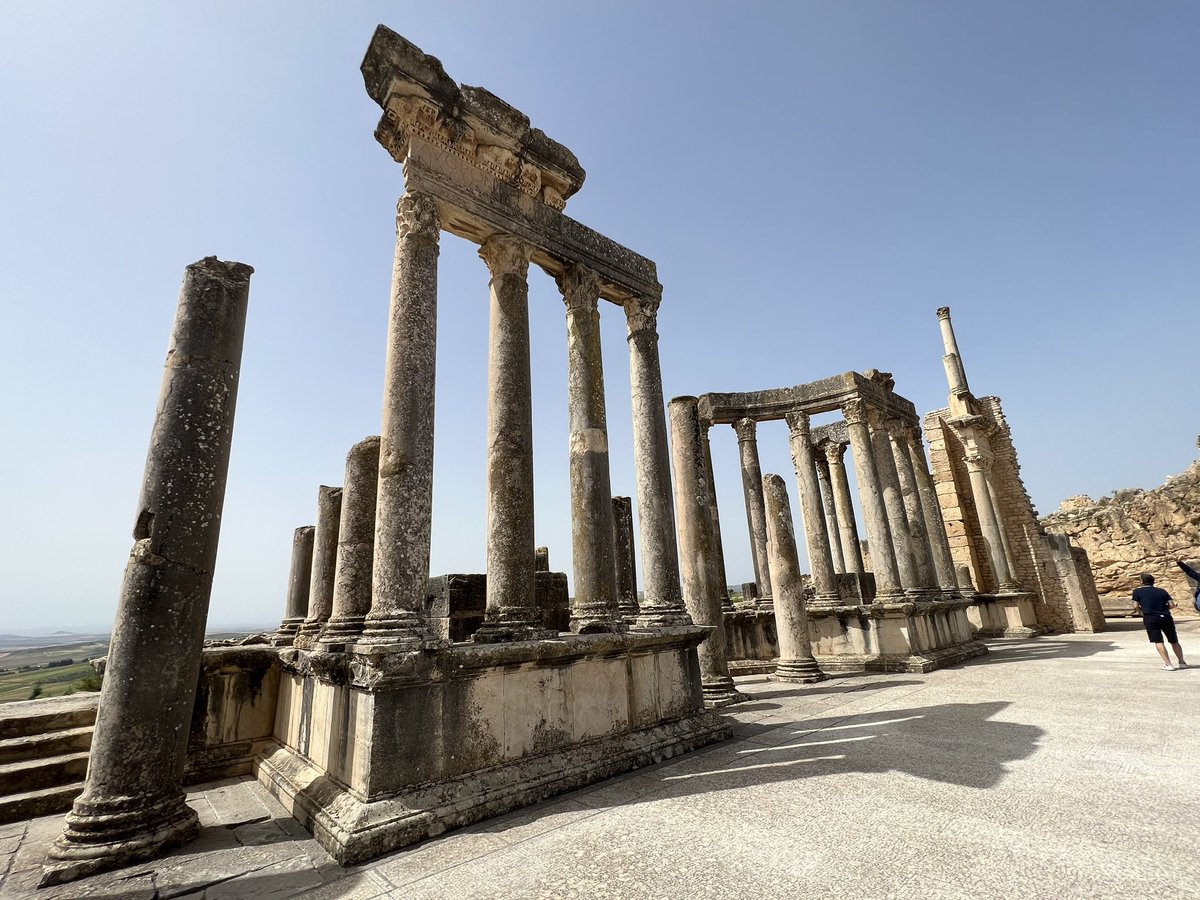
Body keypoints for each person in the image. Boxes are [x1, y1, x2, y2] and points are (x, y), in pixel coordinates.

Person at [1132, 573, 1187, 670]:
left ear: (1142, 582)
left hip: (1150, 617)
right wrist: (1164, 610)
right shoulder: (1162, 591)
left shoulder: (1137, 592)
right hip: (1166, 617)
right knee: (1174, 641)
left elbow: (1135, 606)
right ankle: (1182, 662)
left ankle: (1168, 664)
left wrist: (1142, 612)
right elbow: (1172, 605)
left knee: (1158, 641)